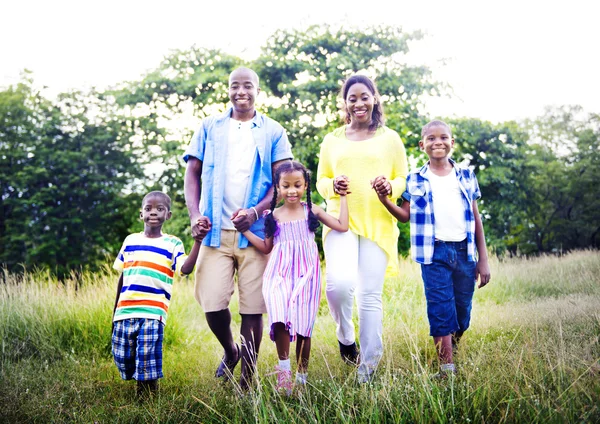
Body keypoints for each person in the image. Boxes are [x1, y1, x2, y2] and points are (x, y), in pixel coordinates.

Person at [183, 67, 294, 390]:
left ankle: (247, 379)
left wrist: (257, 211)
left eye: (247, 86)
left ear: (257, 91)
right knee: (212, 303)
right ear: (228, 90)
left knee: (252, 309)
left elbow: (281, 182)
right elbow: (192, 173)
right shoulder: (209, 127)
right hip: (215, 230)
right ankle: (230, 351)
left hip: (256, 233)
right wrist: (194, 215)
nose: (240, 91)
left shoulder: (273, 131)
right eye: (235, 86)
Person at [375, 119, 491, 376]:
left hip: (463, 252)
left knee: (462, 311)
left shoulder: (466, 176)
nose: (437, 142)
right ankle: (446, 368)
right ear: (422, 145)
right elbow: (404, 216)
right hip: (433, 253)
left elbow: (476, 218)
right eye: (431, 138)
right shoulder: (414, 178)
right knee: (439, 307)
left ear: (452, 143)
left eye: (443, 138)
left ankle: (455, 341)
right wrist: (384, 200)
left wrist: (483, 259)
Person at [316, 74, 408, 383]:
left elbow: (402, 179)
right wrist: (333, 185)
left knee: (370, 295)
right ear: (345, 103)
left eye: (364, 96)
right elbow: (321, 180)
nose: (359, 103)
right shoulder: (332, 140)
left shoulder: (390, 138)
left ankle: (368, 368)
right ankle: (345, 337)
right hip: (340, 221)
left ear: (374, 99)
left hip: (378, 223)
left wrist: (389, 185)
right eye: (352, 98)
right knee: (338, 286)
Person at [243, 160, 349, 394]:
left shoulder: (313, 211)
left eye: (297, 185)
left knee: (303, 324)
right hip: (278, 273)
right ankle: (284, 374)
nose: (292, 190)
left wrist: (342, 196)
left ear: (305, 186)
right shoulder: (273, 216)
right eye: (286, 186)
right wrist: (245, 231)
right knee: (279, 316)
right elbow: (266, 247)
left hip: (306, 273)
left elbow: (342, 226)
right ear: (278, 188)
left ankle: (301, 379)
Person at [111, 191, 208, 398]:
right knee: (122, 356)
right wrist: (115, 310)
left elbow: (185, 269)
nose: (153, 212)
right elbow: (123, 276)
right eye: (148, 208)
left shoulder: (173, 244)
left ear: (168, 215)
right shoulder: (130, 240)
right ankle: (137, 382)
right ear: (141, 214)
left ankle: (147, 395)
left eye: (159, 209)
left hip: (153, 312)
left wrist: (197, 242)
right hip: (125, 311)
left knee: (147, 358)